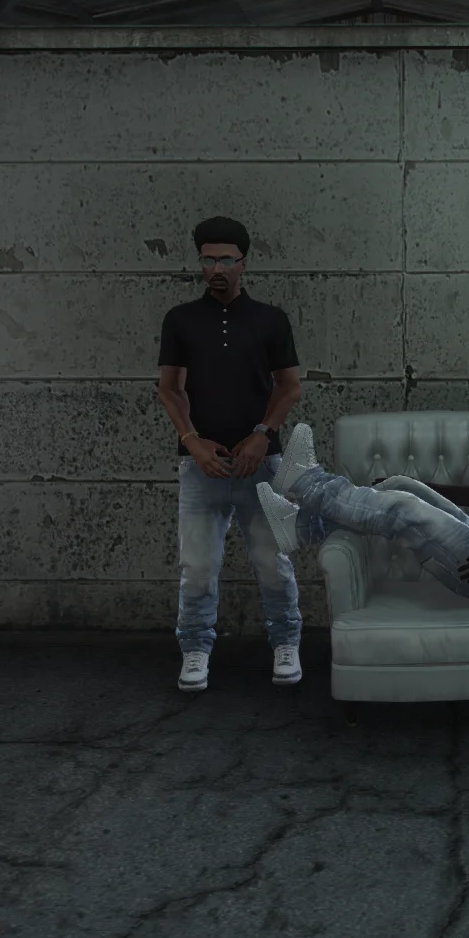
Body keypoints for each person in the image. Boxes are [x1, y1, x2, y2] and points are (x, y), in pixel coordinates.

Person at [253, 364, 469, 604]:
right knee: (399, 486)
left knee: (402, 508)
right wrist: (419, 483)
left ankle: (306, 482)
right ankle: (299, 528)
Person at [156, 216, 304, 693]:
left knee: (274, 564)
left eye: (225, 259)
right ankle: (196, 648)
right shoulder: (180, 320)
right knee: (197, 569)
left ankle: (286, 642)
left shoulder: (271, 319)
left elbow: (289, 386)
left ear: (244, 263)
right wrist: (192, 441)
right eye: (208, 259)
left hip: (263, 466)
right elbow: (170, 388)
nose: (216, 268)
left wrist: (263, 433)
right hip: (201, 467)